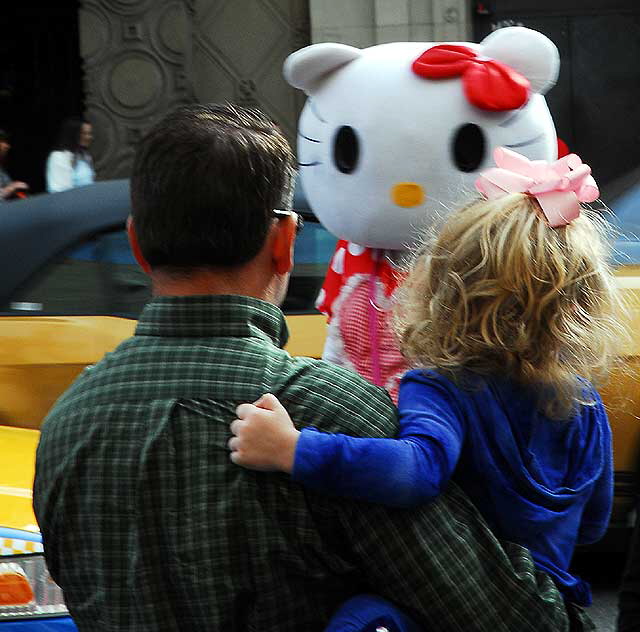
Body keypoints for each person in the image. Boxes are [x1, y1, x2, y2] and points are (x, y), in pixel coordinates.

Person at [35, 104, 578, 632]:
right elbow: (508, 613)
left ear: (136, 243)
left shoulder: (68, 424)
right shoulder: (324, 413)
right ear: (286, 241)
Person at [230, 148, 624, 617]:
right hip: (554, 601)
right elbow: (595, 521)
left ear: (447, 289)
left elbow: (415, 471)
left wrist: (293, 450)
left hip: (464, 598)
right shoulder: (584, 402)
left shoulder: (441, 387)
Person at [45, 116, 95, 193]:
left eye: (90, 133)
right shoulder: (59, 157)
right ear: (73, 134)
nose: (89, 137)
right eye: (84, 133)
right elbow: (59, 191)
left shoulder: (85, 156)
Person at [0, 129, 29, 201]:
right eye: (2, 141)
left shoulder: (2, 170)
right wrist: (11, 188)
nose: (7, 146)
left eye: (6, 142)